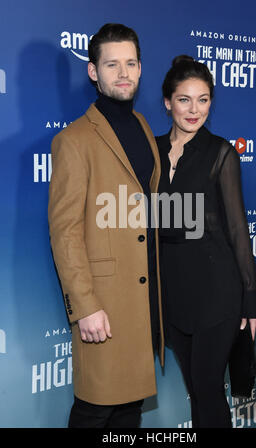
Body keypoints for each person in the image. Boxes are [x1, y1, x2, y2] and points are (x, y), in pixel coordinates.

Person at [48, 23, 164, 428]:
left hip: (143, 298)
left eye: (131, 63)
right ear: (93, 72)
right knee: (96, 409)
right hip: (104, 301)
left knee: (129, 409)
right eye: (112, 64)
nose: (124, 73)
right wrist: (85, 306)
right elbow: (65, 230)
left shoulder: (145, 127)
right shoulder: (74, 140)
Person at [156, 55, 256, 428]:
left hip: (218, 292)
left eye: (203, 100)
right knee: (197, 390)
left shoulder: (221, 153)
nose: (194, 109)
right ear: (168, 102)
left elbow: (237, 229)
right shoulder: (148, 153)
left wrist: (250, 300)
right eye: (184, 99)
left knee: (207, 386)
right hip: (173, 293)